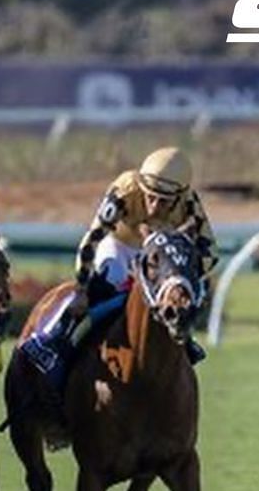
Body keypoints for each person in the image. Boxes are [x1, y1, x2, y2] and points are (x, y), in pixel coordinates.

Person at [21, 147, 217, 389]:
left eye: (164, 201)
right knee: (106, 285)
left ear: (180, 195)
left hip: (158, 254)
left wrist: (182, 282)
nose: (154, 207)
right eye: (149, 197)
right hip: (118, 245)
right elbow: (92, 238)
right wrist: (83, 289)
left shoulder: (189, 202)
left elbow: (210, 253)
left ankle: (185, 342)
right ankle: (54, 339)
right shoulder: (126, 189)